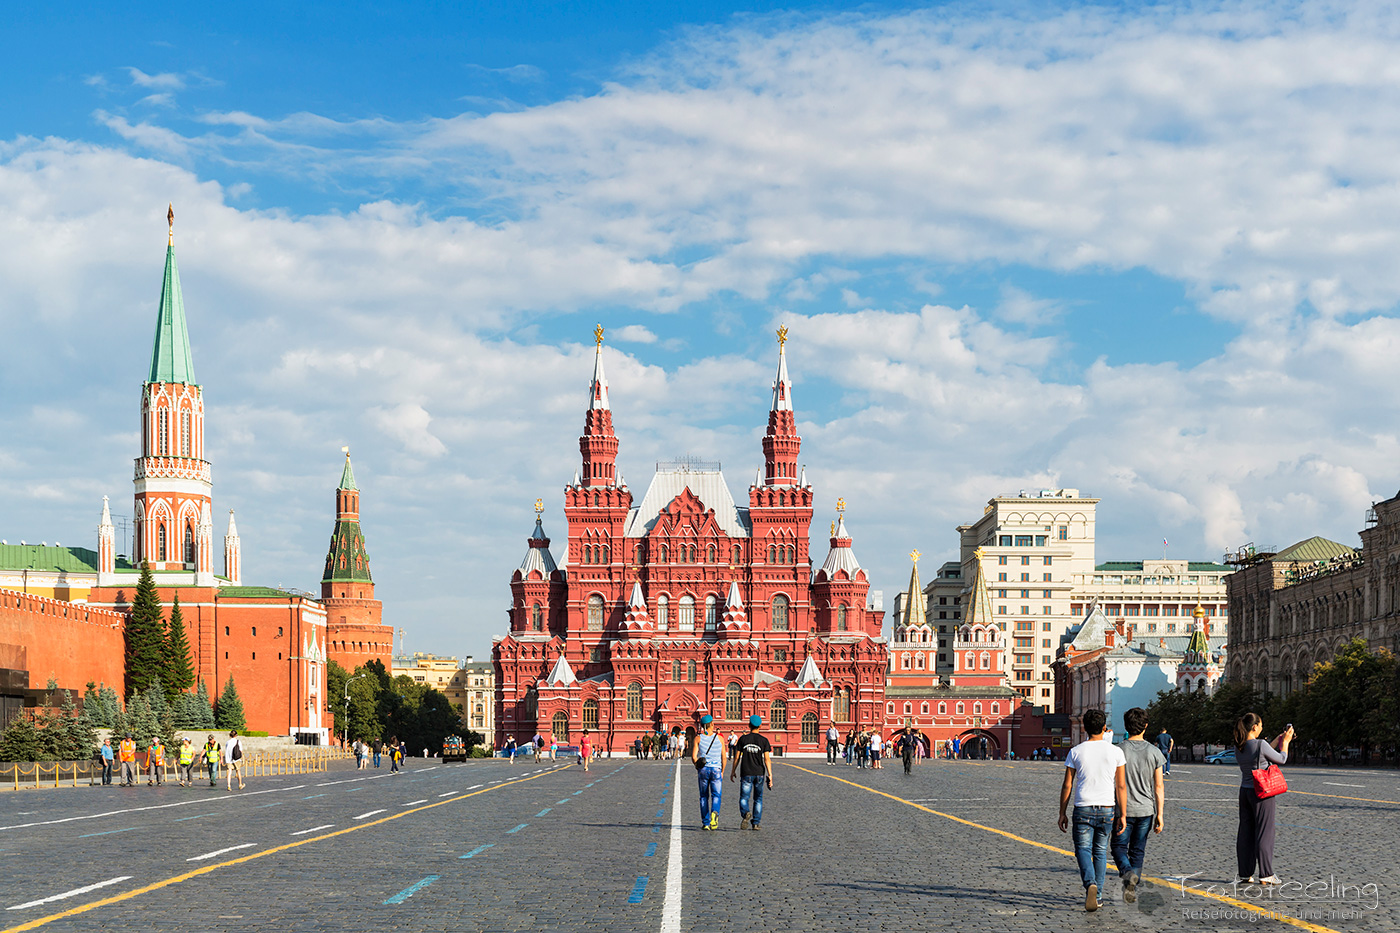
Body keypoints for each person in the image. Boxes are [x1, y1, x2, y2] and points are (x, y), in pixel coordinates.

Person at [1057, 709, 1126, 912]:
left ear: (1085, 728)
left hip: (1083, 807)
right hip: (1107, 808)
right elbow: (1121, 786)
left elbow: (1067, 785)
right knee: (1100, 851)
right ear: (1104, 728)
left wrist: (1062, 812)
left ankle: (1090, 884)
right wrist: (1122, 814)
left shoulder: (1076, 751)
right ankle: (1100, 895)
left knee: (1083, 850)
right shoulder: (1116, 752)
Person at [1113, 707, 1166, 903]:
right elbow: (1158, 786)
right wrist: (1160, 814)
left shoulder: (1118, 750)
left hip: (1122, 809)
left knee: (1118, 847)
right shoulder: (1154, 752)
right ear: (1145, 726)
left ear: (1126, 726)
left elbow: (1114, 782)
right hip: (1146, 809)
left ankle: (1127, 874)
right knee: (1138, 850)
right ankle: (1131, 884)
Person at [1235, 713, 1293, 885]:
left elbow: (1261, 753)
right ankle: (1266, 873)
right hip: (1261, 793)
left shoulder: (1240, 745)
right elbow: (1281, 759)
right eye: (1260, 726)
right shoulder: (1260, 744)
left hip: (1245, 792)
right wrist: (1286, 743)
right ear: (1254, 727)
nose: (1262, 728)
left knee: (1246, 832)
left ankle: (1245, 873)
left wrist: (1276, 741)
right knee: (1265, 832)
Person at [729, 714, 773, 830]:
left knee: (744, 798)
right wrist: (770, 774)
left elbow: (737, 757)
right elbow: (767, 759)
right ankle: (756, 823)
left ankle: (746, 813)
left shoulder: (743, 739)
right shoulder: (764, 741)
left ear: (749, 725)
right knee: (758, 799)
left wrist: (733, 771)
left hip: (746, 773)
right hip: (759, 773)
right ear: (760, 726)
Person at [692, 714, 726, 830]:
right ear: (712, 724)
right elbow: (724, 757)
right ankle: (714, 813)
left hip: (704, 770)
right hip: (716, 769)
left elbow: (694, 757)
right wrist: (722, 771)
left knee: (703, 796)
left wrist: (698, 766)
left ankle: (706, 823)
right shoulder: (720, 738)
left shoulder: (698, 738)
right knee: (716, 795)